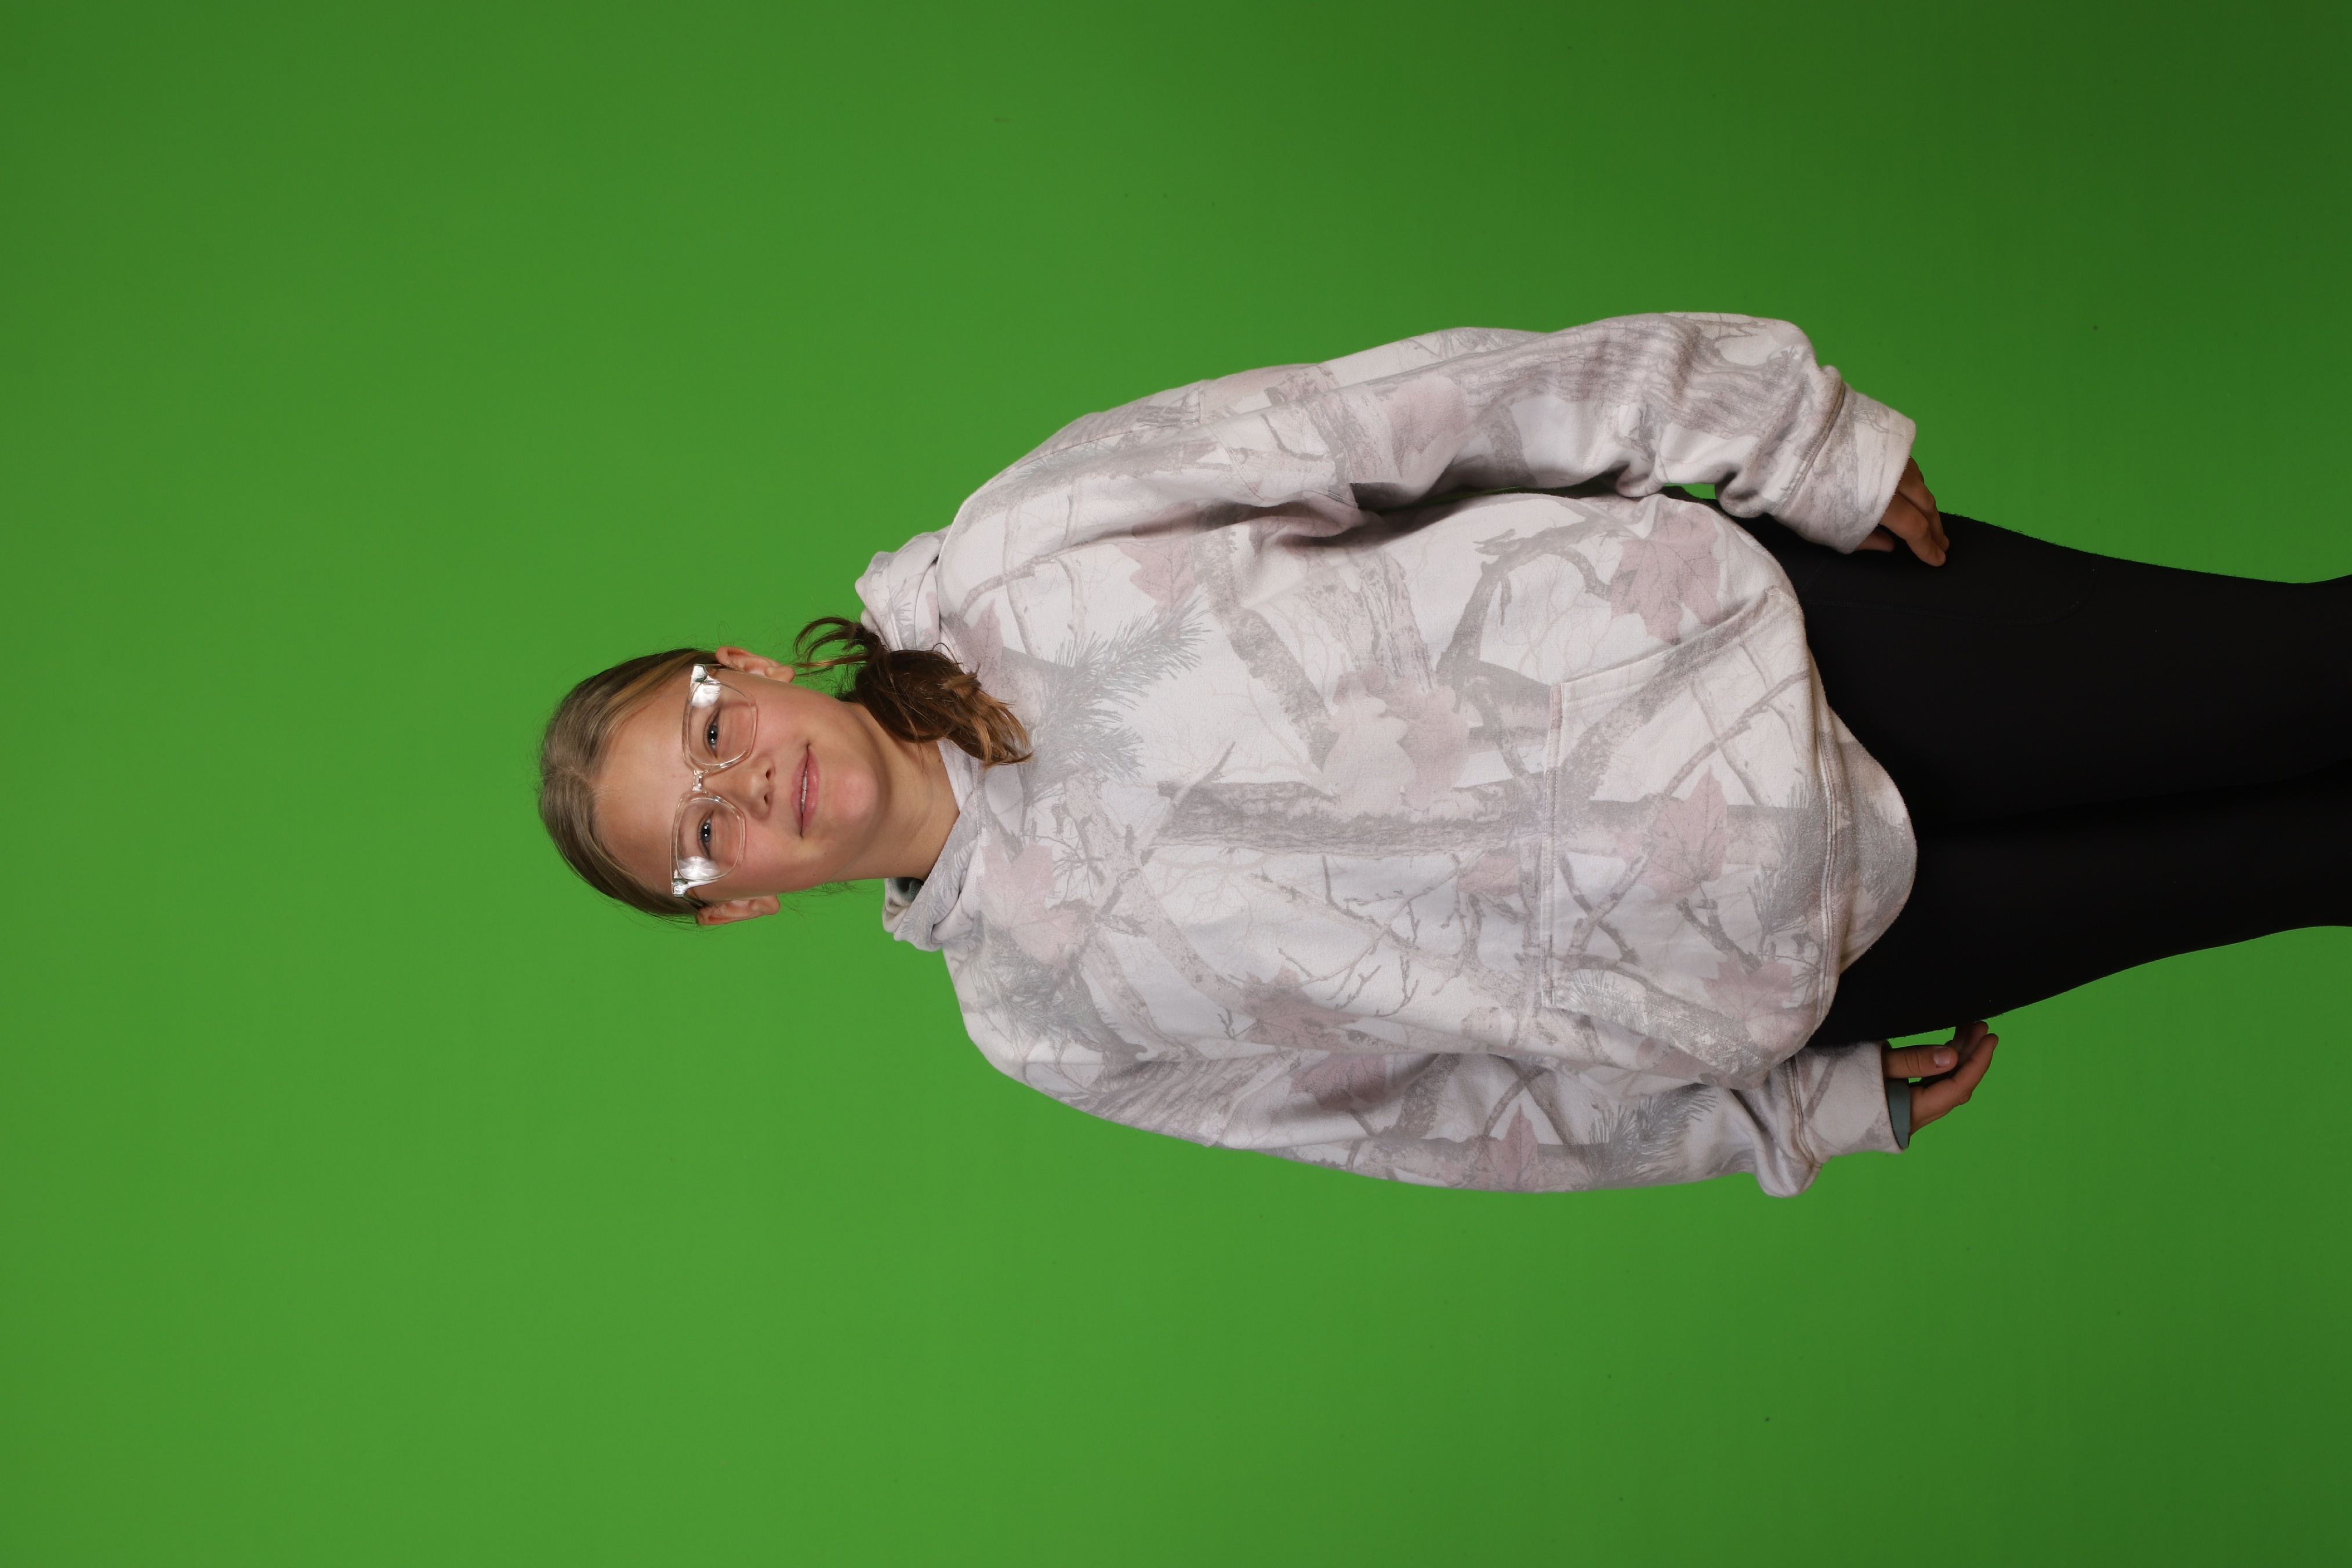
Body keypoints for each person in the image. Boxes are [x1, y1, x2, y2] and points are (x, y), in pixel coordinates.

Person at [539, 314, 2350, 1196]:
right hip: (1791, 961)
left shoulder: (1024, 546)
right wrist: (1771, 1115)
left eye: (710, 729)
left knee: (2304, 678)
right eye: (698, 836)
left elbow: (1410, 414)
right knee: (2300, 864)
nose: (742, 785)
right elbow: (1431, 1119)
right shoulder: (1042, 1022)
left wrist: (1774, 426)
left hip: (1792, 652)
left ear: (744, 668)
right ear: (733, 908)